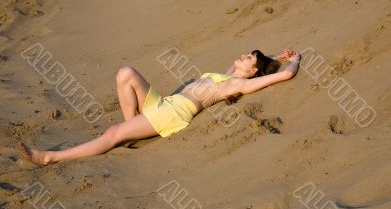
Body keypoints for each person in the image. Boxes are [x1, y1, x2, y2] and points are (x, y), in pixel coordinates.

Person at [19, 49, 301, 165]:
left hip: (173, 113)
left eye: (248, 58)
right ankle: (130, 133)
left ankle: (49, 158)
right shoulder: (228, 75)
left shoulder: (238, 85)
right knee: (125, 73)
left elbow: (285, 75)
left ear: (252, 72)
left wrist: (295, 60)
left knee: (113, 132)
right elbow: (259, 67)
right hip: (164, 102)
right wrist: (274, 55)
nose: (242, 56)